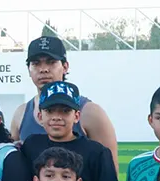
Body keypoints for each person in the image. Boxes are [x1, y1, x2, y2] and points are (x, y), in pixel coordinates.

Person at [10, 36, 118, 170]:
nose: (43, 69)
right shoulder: (21, 114)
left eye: (51, 62)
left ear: (65, 66)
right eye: (36, 63)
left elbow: (110, 173)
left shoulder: (91, 112)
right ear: (28, 69)